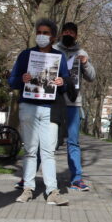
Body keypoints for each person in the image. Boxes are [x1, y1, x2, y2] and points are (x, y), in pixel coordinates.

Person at [9, 19, 70, 206]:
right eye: (39, 32)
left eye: (46, 33)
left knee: (48, 151)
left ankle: (52, 191)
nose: (42, 36)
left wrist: (62, 82)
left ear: (53, 36)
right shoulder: (26, 55)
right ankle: (28, 188)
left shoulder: (59, 57)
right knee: (30, 150)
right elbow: (12, 81)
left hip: (50, 108)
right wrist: (22, 79)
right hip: (28, 106)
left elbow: (66, 82)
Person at [53, 22, 96, 191]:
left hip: (73, 103)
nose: (68, 34)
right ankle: (30, 178)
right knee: (48, 142)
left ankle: (76, 179)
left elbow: (92, 77)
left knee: (73, 142)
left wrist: (85, 63)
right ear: (61, 33)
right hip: (54, 102)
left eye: (72, 32)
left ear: (76, 35)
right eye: (66, 32)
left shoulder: (82, 53)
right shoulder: (53, 51)